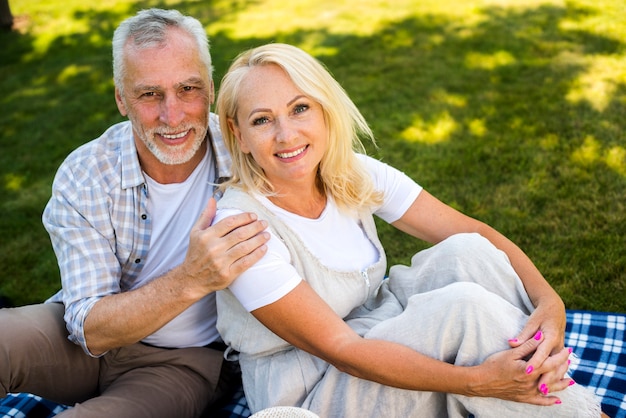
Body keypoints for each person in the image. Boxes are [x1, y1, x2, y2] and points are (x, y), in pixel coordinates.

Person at [213, 43, 606, 417]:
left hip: (371, 329)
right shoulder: (242, 228)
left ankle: (538, 376)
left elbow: (473, 231)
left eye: (299, 108)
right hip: (311, 392)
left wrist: (550, 303)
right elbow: (342, 349)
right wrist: (475, 382)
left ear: (324, 111)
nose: (287, 135)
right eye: (262, 120)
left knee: (467, 251)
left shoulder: (348, 173)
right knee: (464, 310)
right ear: (239, 135)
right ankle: (556, 401)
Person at [0, 9, 270, 418]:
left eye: (188, 89)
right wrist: (192, 279)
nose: (172, 116)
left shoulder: (251, 153)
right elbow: (90, 327)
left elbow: (338, 169)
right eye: (149, 94)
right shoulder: (86, 173)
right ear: (121, 99)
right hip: (80, 343)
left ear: (211, 89)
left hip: (181, 362)